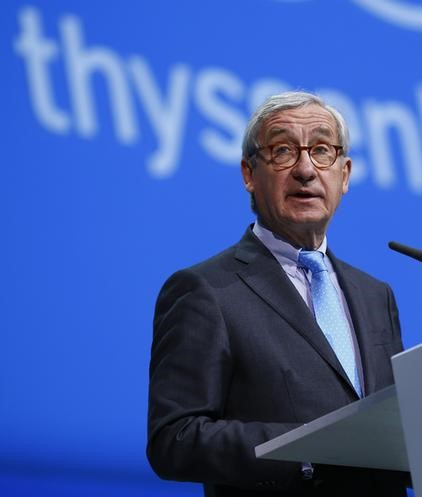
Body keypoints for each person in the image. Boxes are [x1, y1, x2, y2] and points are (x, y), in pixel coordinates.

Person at [147, 91, 407, 497]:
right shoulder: (206, 290)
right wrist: (306, 448)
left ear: (345, 173)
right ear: (249, 174)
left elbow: (391, 425)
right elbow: (175, 439)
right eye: (283, 151)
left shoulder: (376, 296)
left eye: (322, 150)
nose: (305, 169)